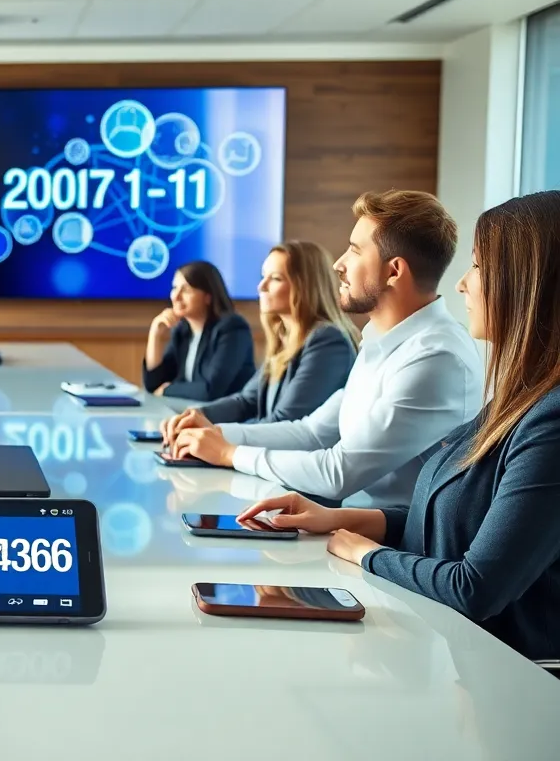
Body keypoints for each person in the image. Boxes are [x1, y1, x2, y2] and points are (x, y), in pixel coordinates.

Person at [237, 190, 560, 661]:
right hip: (459, 655)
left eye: (478, 267)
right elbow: (457, 522)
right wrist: (342, 519)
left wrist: (364, 553)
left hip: (511, 678)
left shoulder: (548, 417)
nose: (463, 285)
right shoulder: (515, 401)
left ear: (525, 284)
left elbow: (476, 586)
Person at [170, 190, 484, 509]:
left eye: (355, 251)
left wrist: (229, 453)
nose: (338, 264)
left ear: (394, 271)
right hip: (348, 530)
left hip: (391, 549)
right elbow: (313, 433)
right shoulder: (380, 340)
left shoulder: (436, 356)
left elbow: (338, 473)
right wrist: (214, 434)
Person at [162, 241, 358, 437]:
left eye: (275, 279)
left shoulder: (327, 341)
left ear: (305, 286)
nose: (261, 286)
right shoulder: (285, 338)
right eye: (263, 277)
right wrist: (195, 415)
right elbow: (247, 401)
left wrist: (214, 434)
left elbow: (285, 422)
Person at [142, 260, 255, 400]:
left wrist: (167, 390)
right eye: (175, 288)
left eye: (186, 290)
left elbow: (210, 390)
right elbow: (153, 385)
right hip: (193, 411)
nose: (176, 297)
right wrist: (155, 334)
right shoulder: (182, 331)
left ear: (208, 297)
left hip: (228, 418)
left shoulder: (232, 328)